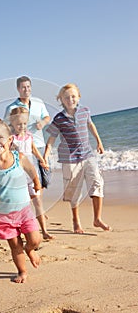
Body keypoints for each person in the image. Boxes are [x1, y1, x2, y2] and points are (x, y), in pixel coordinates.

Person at [0, 117, 41, 283]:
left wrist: (36, 182)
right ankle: (22, 271)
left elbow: (31, 169)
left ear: (10, 139)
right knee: (15, 245)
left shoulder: (18, 157)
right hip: (3, 215)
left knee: (35, 240)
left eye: (0, 137)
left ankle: (30, 250)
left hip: (24, 210)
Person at [43, 83, 111, 234]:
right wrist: (46, 154)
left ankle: (97, 218)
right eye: (66, 97)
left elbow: (91, 125)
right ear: (61, 100)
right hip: (70, 160)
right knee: (74, 192)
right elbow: (52, 138)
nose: (70, 99)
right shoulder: (59, 119)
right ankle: (76, 220)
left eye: (73, 96)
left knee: (97, 183)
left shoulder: (85, 111)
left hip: (88, 155)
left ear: (78, 97)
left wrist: (99, 142)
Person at [9, 107, 54, 240]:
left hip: (32, 173)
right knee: (23, 204)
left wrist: (42, 161)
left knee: (38, 202)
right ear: (12, 124)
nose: (22, 126)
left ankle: (44, 231)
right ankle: (21, 229)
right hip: (18, 175)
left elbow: (34, 150)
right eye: (18, 124)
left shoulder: (29, 136)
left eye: (24, 123)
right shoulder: (11, 139)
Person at [4, 76, 50, 174]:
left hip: (40, 144)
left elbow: (47, 117)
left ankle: (39, 189)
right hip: (24, 147)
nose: (26, 90)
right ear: (18, 89)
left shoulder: (38, 102)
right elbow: (5, 127)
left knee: (46, 176)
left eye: (28, 86)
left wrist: (42, 122)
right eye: (23, 87)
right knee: (33, 177)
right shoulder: (11, 108)